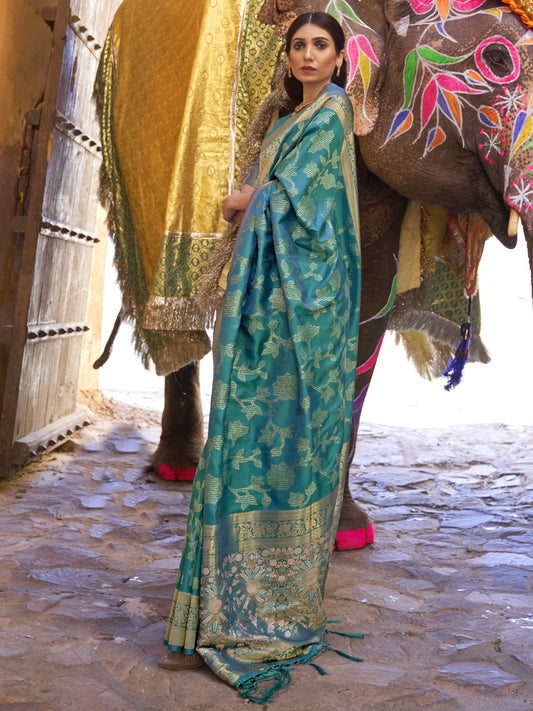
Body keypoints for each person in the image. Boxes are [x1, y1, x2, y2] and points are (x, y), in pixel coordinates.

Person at [158, 12, 362, 703]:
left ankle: (264, 614)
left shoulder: (330, 116)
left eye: (319, 46)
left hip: (293, 314)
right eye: (298, 46)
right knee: (233, 447)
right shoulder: (286, 117)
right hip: (263, 303)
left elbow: (308, 212)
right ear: (288, 55)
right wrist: (252, 200)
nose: (307, 55)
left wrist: (245, 198)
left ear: (338, 58)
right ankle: (211, 613)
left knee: (265, 446)